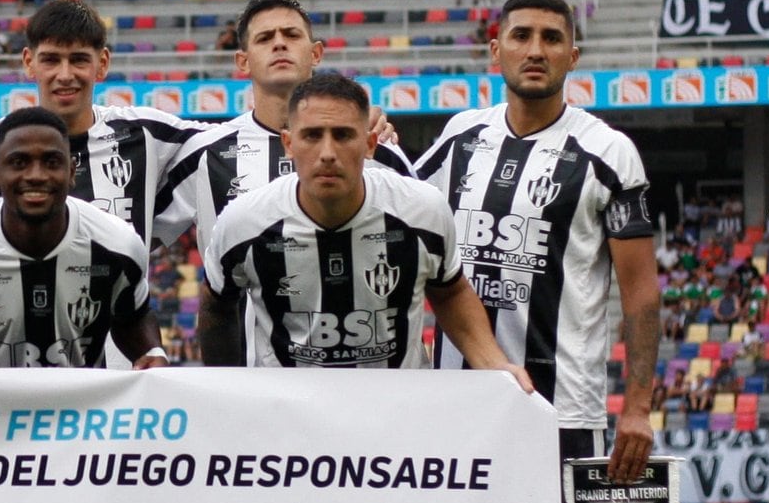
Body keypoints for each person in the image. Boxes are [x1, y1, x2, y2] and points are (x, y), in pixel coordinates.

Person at [413, 0, 659, 482]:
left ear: (572, 56)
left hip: (561, 409)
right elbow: (394, 205)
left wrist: (637, 407)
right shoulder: (460, 136)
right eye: (520, 35)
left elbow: (641, 295)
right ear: (495, 49)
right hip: (457, 404)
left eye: (551, 38)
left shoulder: (608, 152)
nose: (535, 50)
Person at [198, 73, 530, 387]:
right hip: (290, 422)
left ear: (370, 143)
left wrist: (494, 365)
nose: (327, 154)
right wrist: (227, 389)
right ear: (288, 143)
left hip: (397, 419)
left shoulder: (421, 211)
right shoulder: (244, 221)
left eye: (343, 135)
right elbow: (216, 304)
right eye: (312, 135)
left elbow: (451, 290)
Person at [0, 107, 164, 370]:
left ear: (71, 172)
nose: (36, 176)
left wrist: (153, 351)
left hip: (82, 409)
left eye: (52, 162)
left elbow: (133, 317)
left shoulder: (119, 246)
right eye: (19, 163)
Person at [0, 0, 203, 253]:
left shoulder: (149, 133)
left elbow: (232, 143)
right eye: (51, 60)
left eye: (78, 60)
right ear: (29, 62)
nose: (64, 75)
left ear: (102, 63)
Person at [166, 0, 411, 245]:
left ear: (316, 53)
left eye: (292, 35)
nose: (279, 44)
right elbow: (138, 238)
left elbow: (424, 237)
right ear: (243, 61)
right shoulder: (205, 154)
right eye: (265, 38)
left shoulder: (376, 145)